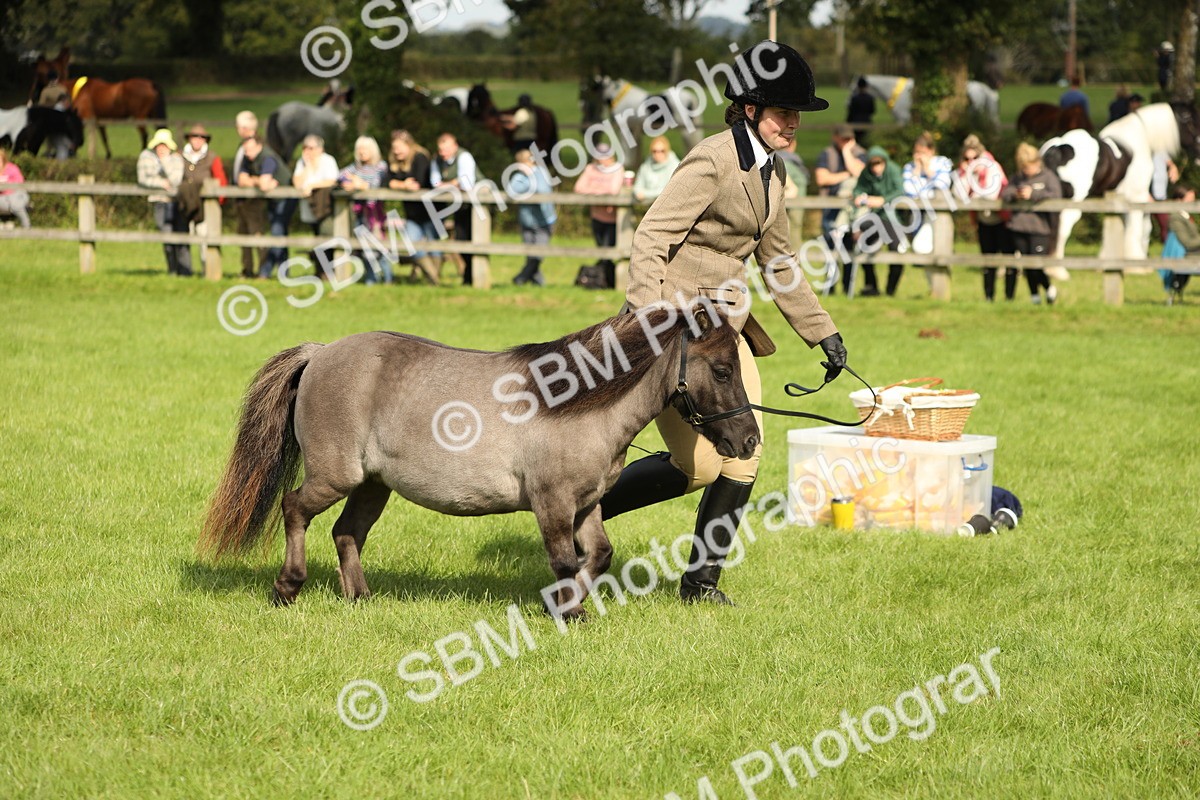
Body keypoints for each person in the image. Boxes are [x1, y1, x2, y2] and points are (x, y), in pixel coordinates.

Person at [603, 40, 847, 605]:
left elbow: (779, 262)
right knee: (696, 468)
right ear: (752, 110)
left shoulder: (775, 173)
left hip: (724, 332)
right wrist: (647, 322)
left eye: (798, 114)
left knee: (743, 453)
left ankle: (700, 586)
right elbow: (651, 236)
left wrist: (822, 331)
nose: (794, 124)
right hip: (674, 333)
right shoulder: (712, 160)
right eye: (785, 113)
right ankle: (580, 517)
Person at [1001, 143, 1062, 304]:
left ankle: (1048, 288)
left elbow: (1056, 195)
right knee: (1027, 264)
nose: (1028, 171)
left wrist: (1034, 194)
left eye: (1030, 166)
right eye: (1025, 167)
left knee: (1036, 264)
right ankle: (1034, 296)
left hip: (1039, 228)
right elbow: (1005, 193)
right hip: (1019, 226)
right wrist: (1016, 195)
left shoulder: (1048, 177)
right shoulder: (1018, 178)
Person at [956, 134, 1012, 301]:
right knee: (987, 261)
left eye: (975, 158)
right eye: (967, 159)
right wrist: (966, 174)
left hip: (1002, 220)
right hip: (984, 221)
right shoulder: (968, 172)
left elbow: (990, 195)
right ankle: (989, 297)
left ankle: (1009, 297)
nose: (971, 162)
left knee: (1009, 261)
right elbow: (959, 195)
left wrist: (973, 194)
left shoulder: (992, 167)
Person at [901, 131, 954, 297]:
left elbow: (942, 185)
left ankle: (938, 289)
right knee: (923, 249)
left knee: (925, 247)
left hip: (938, 214)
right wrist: (917, 171)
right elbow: (910, 191)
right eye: (916, 152)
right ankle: (935, 288)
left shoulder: (942, 162)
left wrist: (928, 170)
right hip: (919, 213)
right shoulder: (910, 167)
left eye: (922, 152)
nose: (919, 156)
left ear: (931, 151)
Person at [849, 145, 905, 296]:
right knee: (862, 244)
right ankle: (871, 287)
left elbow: (900, 191)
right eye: (872, 164)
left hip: (893, 218)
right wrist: (858, 196)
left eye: (879, 163)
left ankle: (890, 290)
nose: (876, 167)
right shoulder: (866, 173)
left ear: (884, 161)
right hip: (874, 217)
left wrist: (882, 200)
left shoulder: (893, 170)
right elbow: (858, 189)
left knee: (897, 251)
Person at [386, 129, 440, 284]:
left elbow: (418, 183)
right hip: (413, 215)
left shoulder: (420, 157)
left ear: (409, 145)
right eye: (394, 148)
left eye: (399, 147)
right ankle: (433, 278)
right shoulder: (395, 162)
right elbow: (387, 181)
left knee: (434, 246)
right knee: (411, 244)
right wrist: (403, 184)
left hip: (431, 212)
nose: (396, 151)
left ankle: (433, 282)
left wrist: (397, 183)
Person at [237, 134, 294, 279]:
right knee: (279, 235)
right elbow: (242, 180)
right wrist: (258, 180)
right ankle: (284, 273)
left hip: (286, 198)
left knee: (277, 233)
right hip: (273, 199)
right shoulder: (248, 158)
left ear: (259, 146)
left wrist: (254, 180)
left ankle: (264, 272)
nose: (247, 153)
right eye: (245, 150)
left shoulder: (268, 158)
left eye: (250, 149)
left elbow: (263, 184)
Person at [137, 128, 190, 276]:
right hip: (159, 201)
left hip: (176, 202)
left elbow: (175, 180)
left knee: (181, 237)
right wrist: (160, 183)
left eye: (164, 145)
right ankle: (172, 270)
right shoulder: (146, 157)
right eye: (159, 145)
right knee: (166, 236)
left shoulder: (176, 159)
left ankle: (185, 271)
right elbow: (143, 179)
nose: (161, 148)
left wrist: (165, 161)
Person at [339, 135, 390, 283]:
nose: (362, 152)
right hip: (360, 213)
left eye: (365, 149)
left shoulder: (381, 166)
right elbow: (340, 175)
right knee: (364, 246)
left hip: (374, 214)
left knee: (379, 246)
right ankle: (370, 277)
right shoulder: (355, 167)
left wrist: (359, 184)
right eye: (359, 149)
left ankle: (387, 278)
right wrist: (348, 182)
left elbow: (375, 185)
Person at [573, 142, 625, 288]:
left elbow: (613, 190)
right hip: (596, 217)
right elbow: (579, 188)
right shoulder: (591, 168)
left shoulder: (617, 169)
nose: (602, 160)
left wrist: (593, 189)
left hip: (612, 219)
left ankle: (601, 279)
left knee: (607, 251)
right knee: (602, 250)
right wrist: (600, 191)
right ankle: (603, 280)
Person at [178, 124, 228, 273]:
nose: (198, 140)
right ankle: (184, 271)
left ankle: (208, 270)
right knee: (182, 239)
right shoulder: (180, 156)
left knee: (205, 239)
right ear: (189, 139)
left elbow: (221, 181)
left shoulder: (212, 157)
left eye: (201, 137)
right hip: (185, 204)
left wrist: (218, 202)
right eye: (194, 137)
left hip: (205, 207)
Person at [430, 132, 479, 285]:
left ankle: (472, 277)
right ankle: (469, 276)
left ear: (455, 146)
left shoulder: (464, 157)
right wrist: (454, 183)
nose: (443, 153)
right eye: (440, 149)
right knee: (461, 240)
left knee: (474, 241)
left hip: (476, 206)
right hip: (459, 206)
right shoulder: (437, 160)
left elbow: (467, 184)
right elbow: (435, 183)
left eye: (446, 149)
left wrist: (447, 184)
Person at [507, 149, 557, 286]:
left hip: (544, 221)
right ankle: (538, 282)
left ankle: (521, 278)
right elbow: (511, 191)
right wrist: (527, 183)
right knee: (530, 254)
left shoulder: (541, 172)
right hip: (527, 221)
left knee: (539, 253)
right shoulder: (519, 176)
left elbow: (543, 190)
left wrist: (530, 177)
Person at [813, 123, 865, 238]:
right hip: (830, 202)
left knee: (849, 240)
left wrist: (846, 151)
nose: (846, 141)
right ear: (835, 137)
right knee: (830, 239)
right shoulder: (827, 153)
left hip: (852, 204)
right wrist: (847, 174)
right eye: (843, 138)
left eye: (849, 138)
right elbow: (821, 179)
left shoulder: (860, 153)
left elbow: (858, 173)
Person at [231, 111, 263, 278]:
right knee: (242, 234)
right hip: (241, 199)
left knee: (256, 235)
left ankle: (263, 270)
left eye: (239, 127)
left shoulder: (258, 145)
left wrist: (250, 181)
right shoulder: (242, 145)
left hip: (253, 199)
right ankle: (247, 269)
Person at [1162, 183, 1198, 304]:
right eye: (1189, 199)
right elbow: (1187, 242)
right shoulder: (1176, 218)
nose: (1192, 203)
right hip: (1188, 256)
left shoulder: (1185, 216)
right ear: (1179, 200)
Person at [777, 135, 809, 251]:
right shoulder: (786, 161)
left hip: (791, 200)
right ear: (793, 144)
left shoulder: (781, 158)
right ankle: (794, 256)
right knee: (793, 228)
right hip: (793, 200)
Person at [632, 136, 679, 204]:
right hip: (646, 206)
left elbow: (668, 191)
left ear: (667, 151)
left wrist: (645, 194)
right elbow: (637, 188)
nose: (658, 154)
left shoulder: (675, 166)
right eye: (654, 151)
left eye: (662, 151)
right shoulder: (645, 167)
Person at [0, 145, 32, 229]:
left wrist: (6, 185)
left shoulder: (12, 168)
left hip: (15, 194)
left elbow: (20, 182)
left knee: (16, 204)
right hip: (2, 198)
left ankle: (26, 226)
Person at [846, 77, 876, 144]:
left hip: (856, 123)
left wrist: (848, 122)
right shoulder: (870, 98)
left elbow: (851, 111)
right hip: (867, 122)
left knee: (856, 142)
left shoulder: (854, 98)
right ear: (866, 86)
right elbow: (873, 111)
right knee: (866, 141)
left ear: (858, 87)